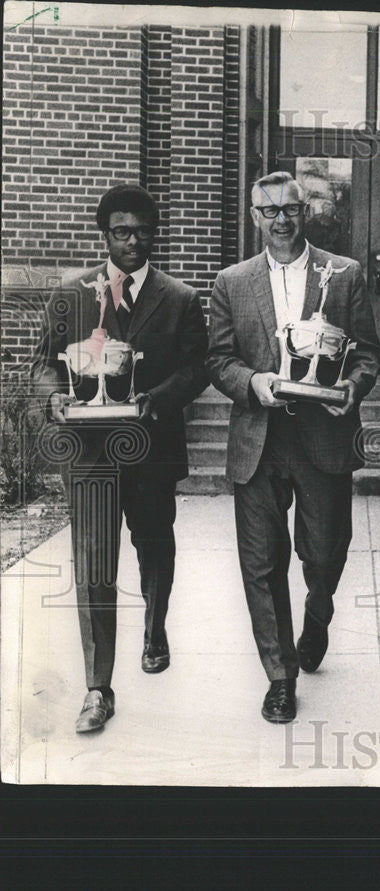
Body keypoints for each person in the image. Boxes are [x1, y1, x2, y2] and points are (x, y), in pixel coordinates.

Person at [31, 184, 209, 733]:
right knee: (93, 566)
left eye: (142, 231)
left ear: (155, 234)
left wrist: (155, 401)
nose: (132, 241)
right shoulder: (71, 292)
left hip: (152, 447)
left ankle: (155, 628)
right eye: (121, 232)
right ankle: (96, 687)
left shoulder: (179, 297)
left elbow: (198, 366)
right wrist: (53, 395)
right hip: (88, 452)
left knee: (154, 544)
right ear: (104, 234)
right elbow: (44, 364)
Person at [206, 172, 380, 724]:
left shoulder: (344, 273)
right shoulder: (232, 281)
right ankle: (280, 678)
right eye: (268, 211)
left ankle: (319, 610)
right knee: (261, 563)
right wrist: (251, 382)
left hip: (321, 434)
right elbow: (217, 359)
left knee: (324, 551)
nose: (280, 219)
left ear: (305, 213)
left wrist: (352, 388)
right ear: (253, 217)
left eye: (289, 209)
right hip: (258, 436)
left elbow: (366, 354)